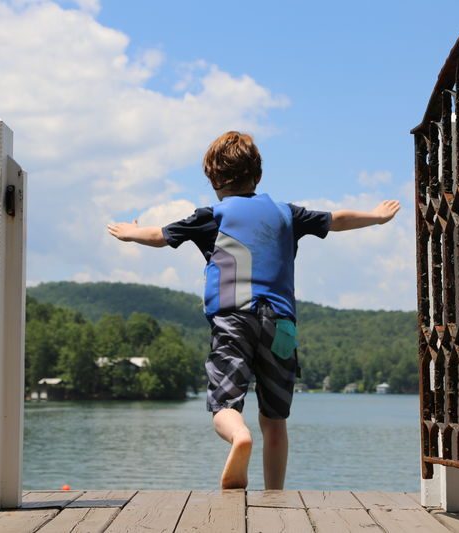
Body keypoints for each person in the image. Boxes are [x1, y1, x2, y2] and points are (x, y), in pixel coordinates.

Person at [107, 131, 400, 490]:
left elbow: (160, 236)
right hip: (281, 326)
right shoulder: (287, 213)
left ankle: (239, 437)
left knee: (224, 407)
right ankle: (275, 494)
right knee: (275, 420)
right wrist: (376, 216)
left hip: (234, 319)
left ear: (214, 179)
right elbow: (336, 219)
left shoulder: (213, 215)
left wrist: (128, 233)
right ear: (257, 175)